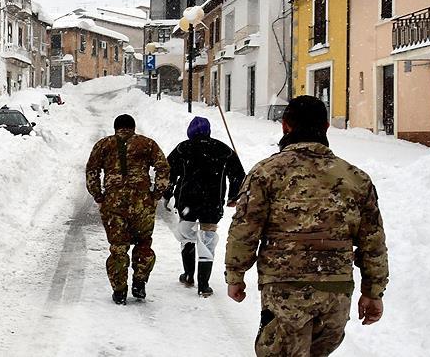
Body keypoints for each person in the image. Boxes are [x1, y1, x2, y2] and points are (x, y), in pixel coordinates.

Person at [225, 96, 389, 356]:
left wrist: (235, 275)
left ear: (285, 126)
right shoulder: (355, 178)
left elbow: (245, 229)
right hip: (335, 290)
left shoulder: (266, 173)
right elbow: (373, 241)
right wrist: (373, 290)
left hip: (284, 288)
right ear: (325, 128)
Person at [86, 114, 171, 305]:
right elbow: (163, 168)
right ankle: (139, 282)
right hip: (142, 203)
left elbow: (92, 170)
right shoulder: (147, 144)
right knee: (143, 243)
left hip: (113, 203)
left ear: (116, 127)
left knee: (118, 248)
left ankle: (119, 290)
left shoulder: (104, 145)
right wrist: (156, 194)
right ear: (133, 127)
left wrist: (98, 196)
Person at [164, 116, 245, 297]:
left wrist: (167, 194)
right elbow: (238, 175)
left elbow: (169, 173)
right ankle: (204, 285)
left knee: (187, 237)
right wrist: (233, 195)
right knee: (208, 239)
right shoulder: (223, 150)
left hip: (187, 203)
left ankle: (188, 275)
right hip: (212, 203)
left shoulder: (182, 148)